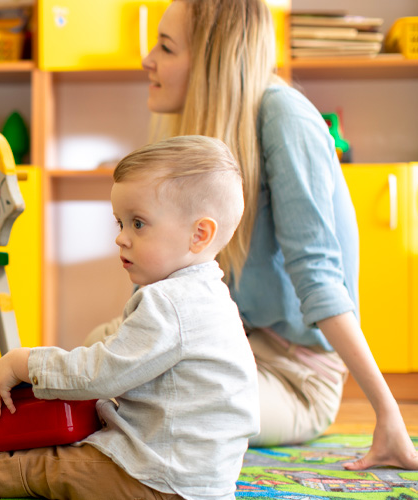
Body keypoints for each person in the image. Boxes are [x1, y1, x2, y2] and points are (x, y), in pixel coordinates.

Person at [0, 135, 259, 500]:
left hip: (159, 477)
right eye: (119, 222)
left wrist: (27, 363)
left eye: (138, 223)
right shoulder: (207, 295)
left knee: (45, 468)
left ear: (199, 235)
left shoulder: (171, 303)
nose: (121, 237)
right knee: (76, 421)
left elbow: (101, 373)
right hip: (185, 470)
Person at [129, 0, 418, 470]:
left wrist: (388, 414)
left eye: (165, 47)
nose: (147, 59)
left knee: (153, 393)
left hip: (299, 376)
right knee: (108, 352)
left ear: (212, 59)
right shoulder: (210, 131)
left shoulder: (284, 117)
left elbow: (319, 275)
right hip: (238, 348)